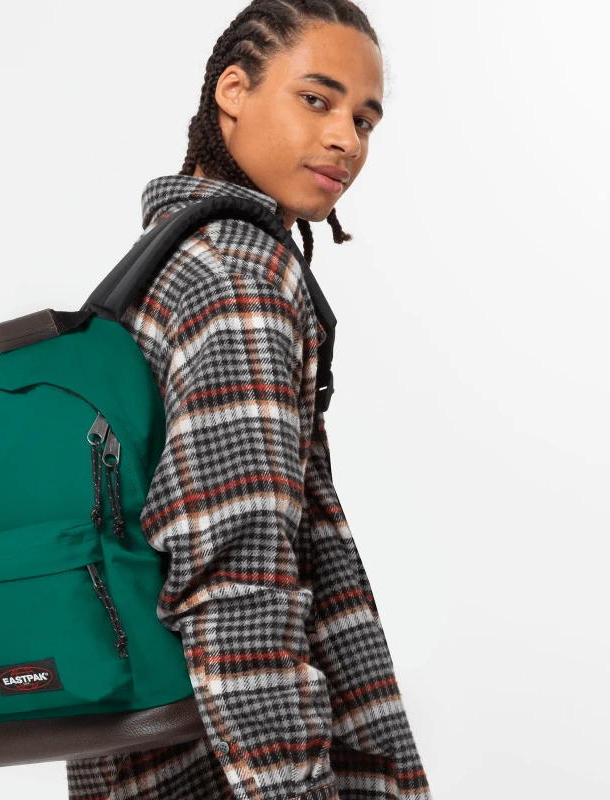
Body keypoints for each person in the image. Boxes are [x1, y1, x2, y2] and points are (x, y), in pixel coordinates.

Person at [67, 2, 433, 799]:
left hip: (136, 758)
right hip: (230, 772)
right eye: (317, 99)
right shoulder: (237, 282)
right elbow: (239, 582)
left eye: (365, 120)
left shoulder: (159, 263)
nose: (346, 139)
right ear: (232, 91)